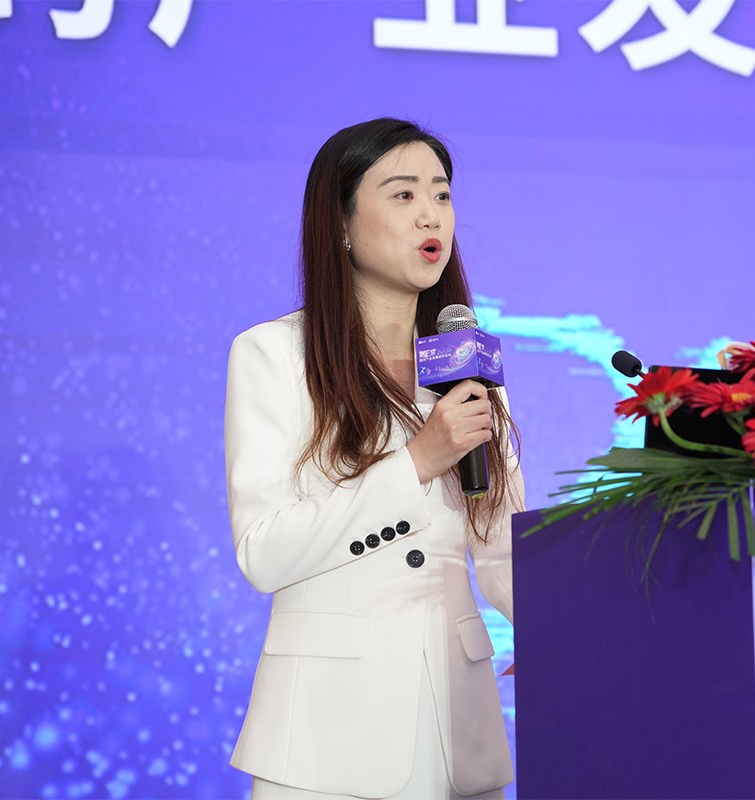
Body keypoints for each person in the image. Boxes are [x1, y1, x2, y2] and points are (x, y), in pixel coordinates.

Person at [223, 118, 523, 800]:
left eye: (442, 195)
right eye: (403, 194)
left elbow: (502, 543)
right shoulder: (274, 355)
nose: (431, 215)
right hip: (325, 735)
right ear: (341, 224)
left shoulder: (466, 363)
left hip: (458, 726)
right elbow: (264, 552)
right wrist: (416, 462)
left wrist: (561, 630)